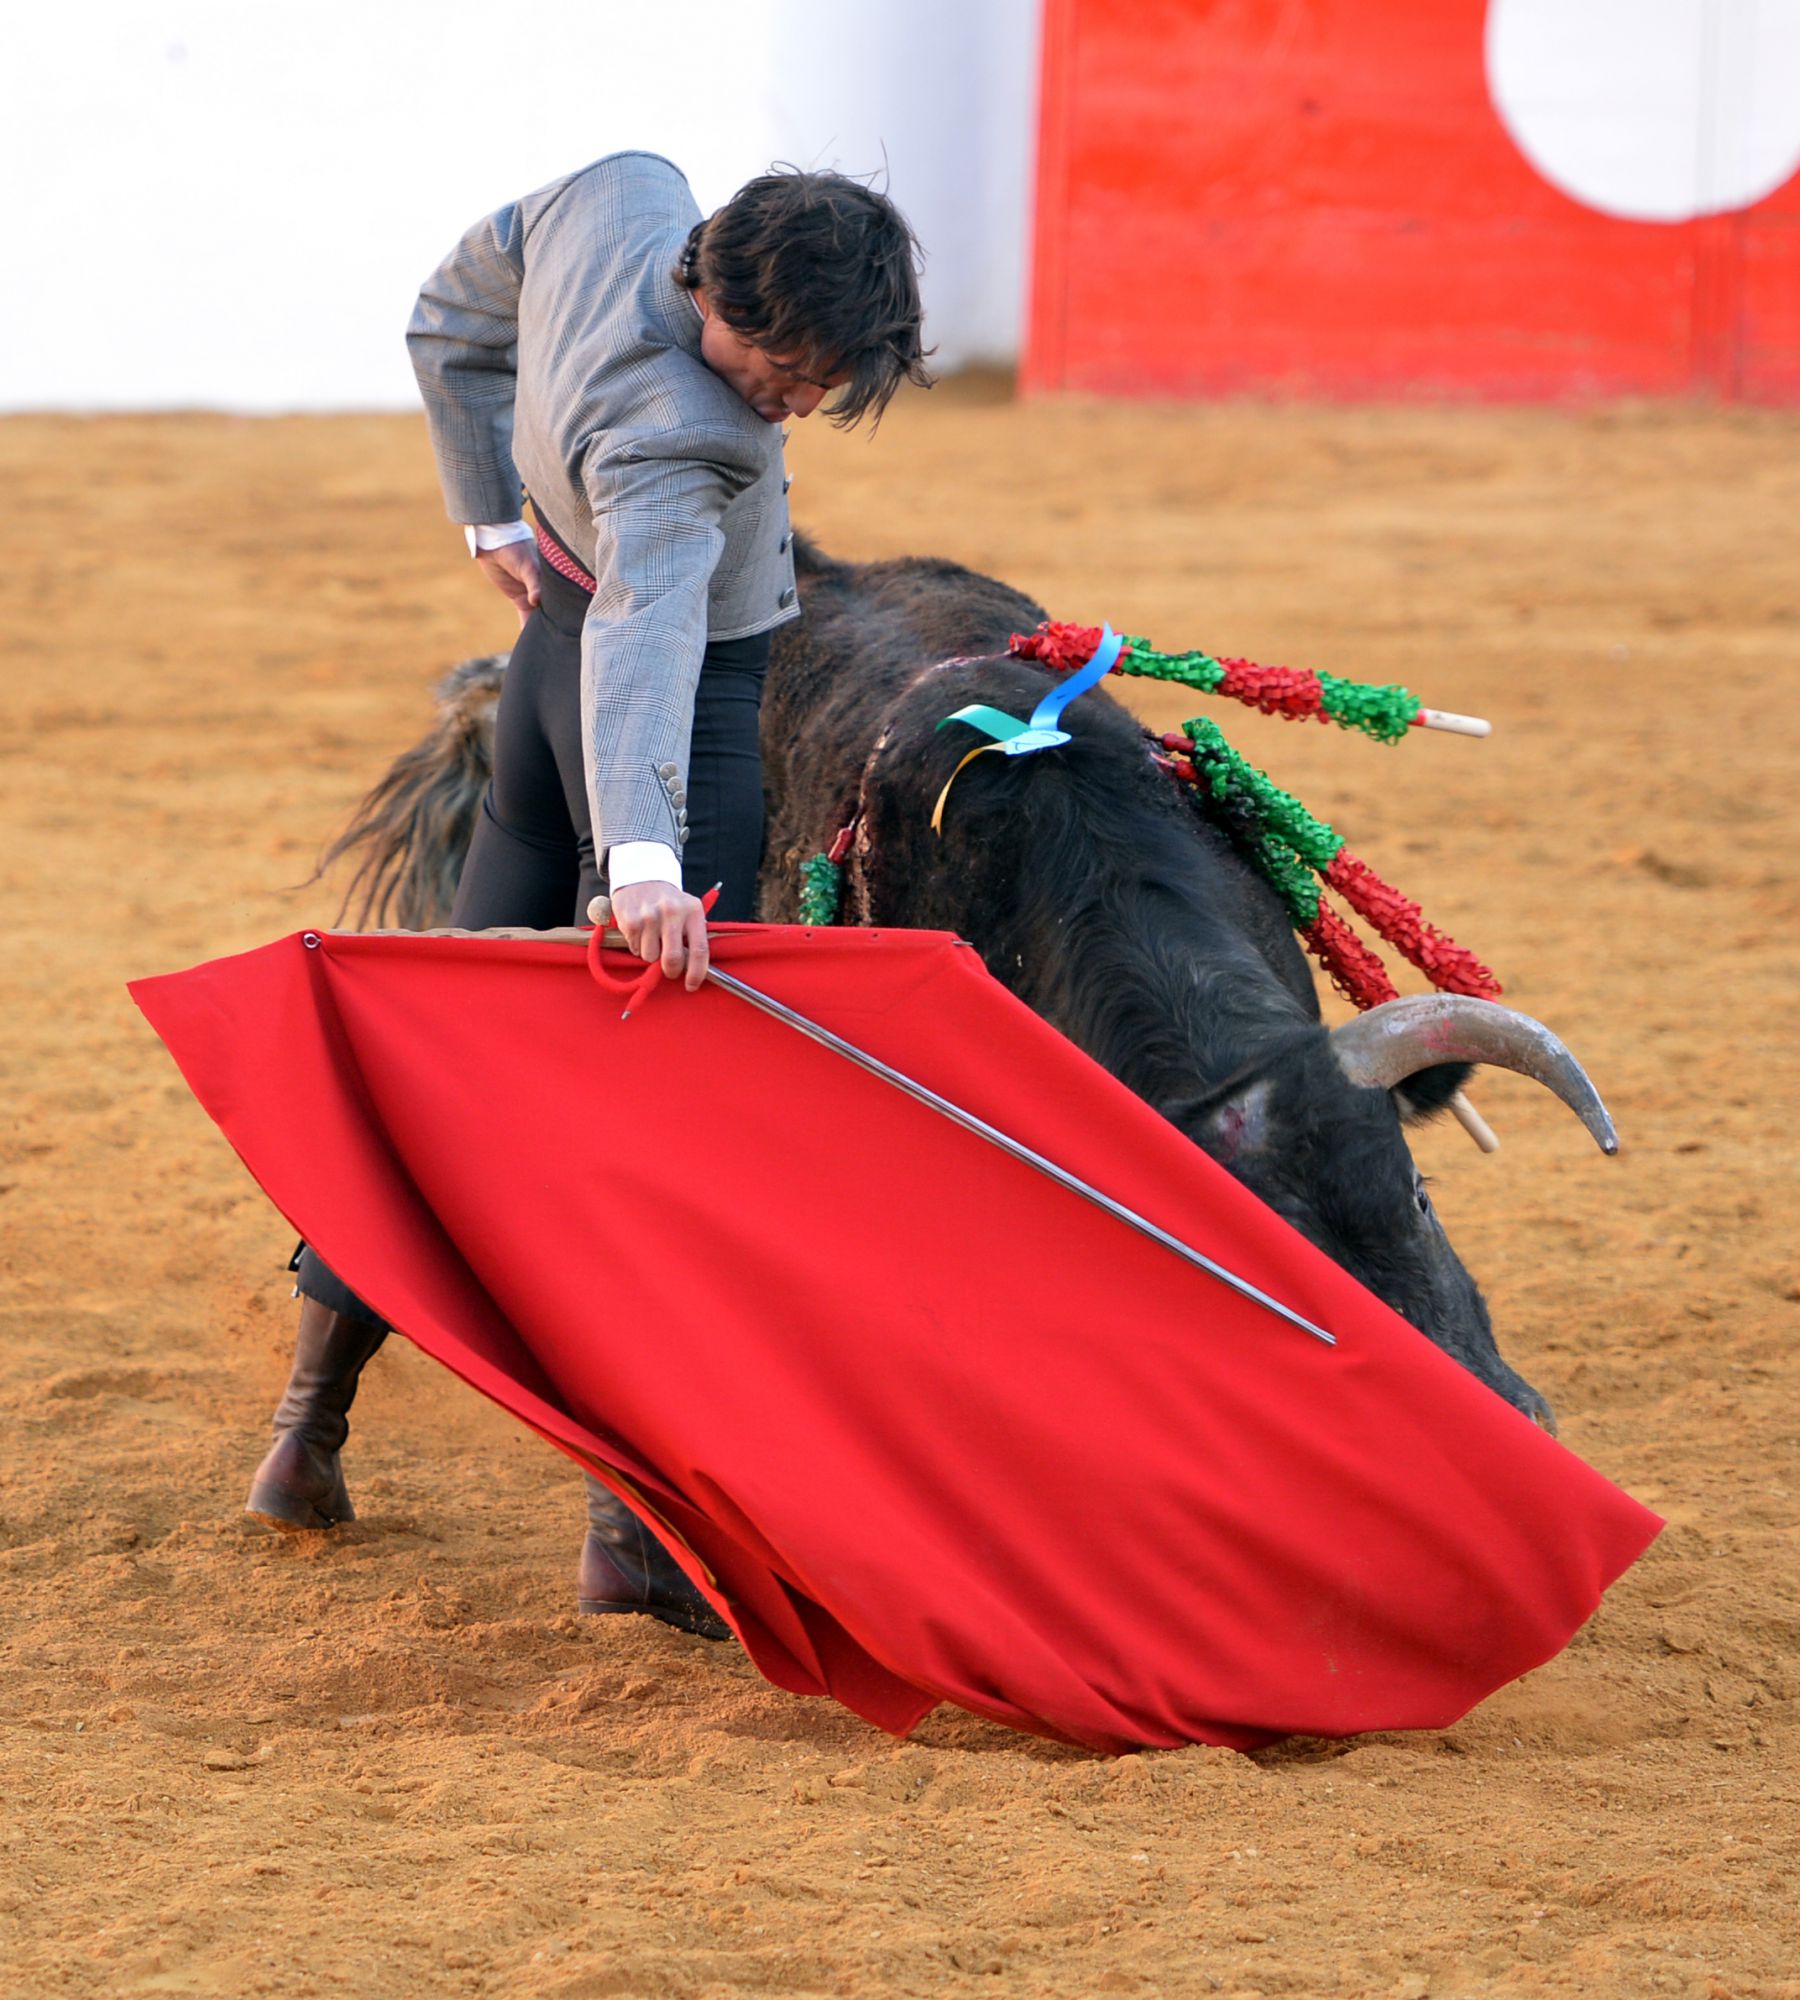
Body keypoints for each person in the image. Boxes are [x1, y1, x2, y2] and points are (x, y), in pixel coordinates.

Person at [244, 152, 931, 1637]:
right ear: (721, 295)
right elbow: (653, 638)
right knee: (673, 1119)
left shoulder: (618, 197)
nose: (794, 403)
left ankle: (306, 1427)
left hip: (539, 669)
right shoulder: (695, 448)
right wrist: (645, 866)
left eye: (823, 383)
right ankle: (632, 1538)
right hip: (665, 722)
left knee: (445, 1054)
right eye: (786, 368)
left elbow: (448, 319)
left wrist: (485, 505)